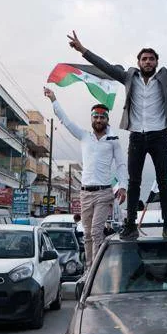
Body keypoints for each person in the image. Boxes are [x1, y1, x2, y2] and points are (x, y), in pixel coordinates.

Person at [67, 27, 167, 239]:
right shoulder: (129, 77)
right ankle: (130, 224)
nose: (148, 62)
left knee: (163, 180)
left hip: (159, 136)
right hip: (137, 136)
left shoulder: (165, 78)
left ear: (156, 63)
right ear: (138, 62)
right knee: (134, 182)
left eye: (151, 59)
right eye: (144, 59)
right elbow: (105, 66)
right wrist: (82, 50)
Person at [44, 87, 127, 269]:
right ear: (91, 119)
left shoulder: (113, 140)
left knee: (97, 232)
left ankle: (97, 271)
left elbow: (121, 164)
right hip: (85, 194)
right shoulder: (84, 136)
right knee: (88, 234)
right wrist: (53, 99)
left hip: (104, 193)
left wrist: (122, 185)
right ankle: (89, 270)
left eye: (102, 117)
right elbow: (66, 121)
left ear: (107, 120)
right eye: (96, 117)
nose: (99, 120)